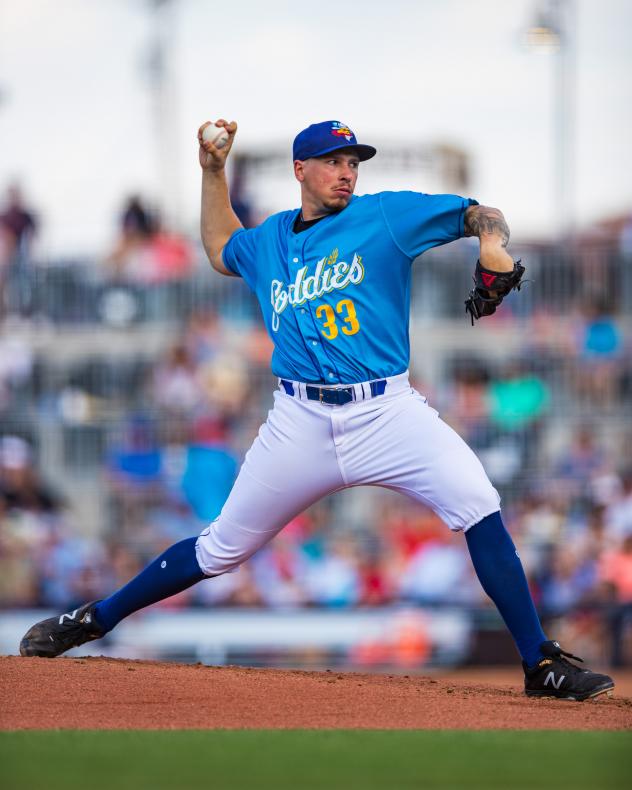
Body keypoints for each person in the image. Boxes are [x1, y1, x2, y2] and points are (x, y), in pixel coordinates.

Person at [20, 119, 614, 701]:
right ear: (299, 169)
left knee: (480, 506)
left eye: (354, 163)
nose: (347, 173)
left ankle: (540, 663)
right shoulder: (272, 238)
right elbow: (221, 246)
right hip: (298, 420)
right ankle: (94, 619)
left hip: (387, 411)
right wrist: (213, 171)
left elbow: (479, 212)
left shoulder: (385, 216)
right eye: (334, 161)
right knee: (219, 548)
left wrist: (491, 241)